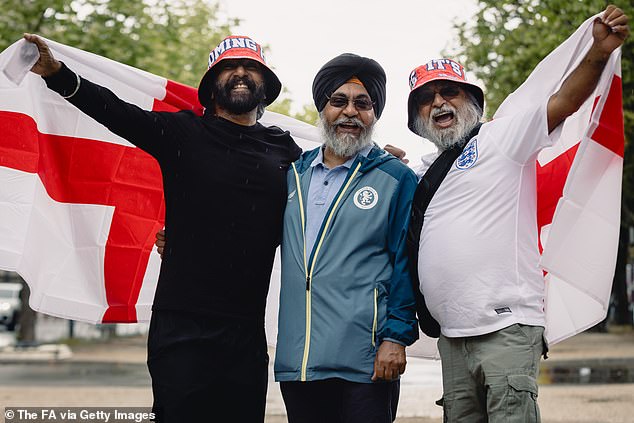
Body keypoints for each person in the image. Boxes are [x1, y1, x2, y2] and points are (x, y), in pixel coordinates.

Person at [24, 33, 302, 422]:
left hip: (246, 330)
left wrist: (372, 161)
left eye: (250, 68)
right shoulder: (183, 132)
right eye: (229, 68)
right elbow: (114, 110)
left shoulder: (287, 151)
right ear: (211, 85)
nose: (240, 74)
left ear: (265, 86)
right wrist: (57, 74)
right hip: (182, 322)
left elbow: (330, 185)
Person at [404, 5, 629, 422]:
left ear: (470, 100)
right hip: (452, 338)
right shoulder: (419, 172)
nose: (438, 102)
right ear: (418, 119)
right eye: (425, 98)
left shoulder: (500, 137)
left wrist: (597, 52)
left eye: (449, 91)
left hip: (506, 329)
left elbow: (562, 102)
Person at [274, 53, 418, 423]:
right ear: (322, 108)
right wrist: (181, 240)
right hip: (300, 361)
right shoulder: (292, 174)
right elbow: (245, 231)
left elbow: (406, 262)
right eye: (339, 101)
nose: (350, 112)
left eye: (363, 103)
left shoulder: (395, 178)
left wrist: (396, 337)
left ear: (374, 114)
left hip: (366, 361)